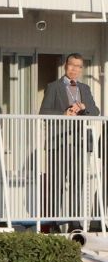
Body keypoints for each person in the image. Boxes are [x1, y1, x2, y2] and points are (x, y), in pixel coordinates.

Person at [39, 54, 99, 225]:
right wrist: (63, 114)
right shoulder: (53, 87)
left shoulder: (85, 89)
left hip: (80, 143)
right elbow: (43, 113)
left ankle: (74, 222)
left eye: (79, 66)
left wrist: (84, 107)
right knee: (56, 184)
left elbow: (96, 111)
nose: (75, 69)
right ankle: (52, 223)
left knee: (77, 184)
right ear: (65, 66)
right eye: (72, 65)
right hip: (58, 143)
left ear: (82, 69)